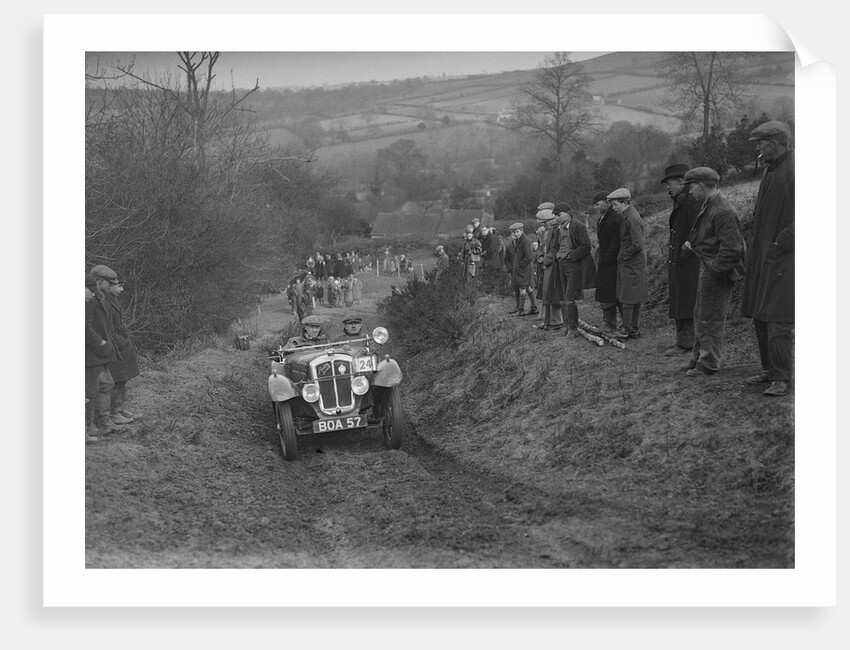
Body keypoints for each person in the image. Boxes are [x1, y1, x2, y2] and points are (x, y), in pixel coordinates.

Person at [740, 120, 795, 397]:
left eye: (761, 142)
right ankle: (769, 370)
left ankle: (782, 377)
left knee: (777, 317)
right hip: (763, 257)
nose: (758, 148)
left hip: (785, 259)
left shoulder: (796, 169)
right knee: (760, 313)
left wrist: (780, 243)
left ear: (775, 142)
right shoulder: (771, 170)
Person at [679, 167, 746, 378]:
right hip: (709, 267)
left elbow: (733, 248)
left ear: (701, 185)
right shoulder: (710, 205)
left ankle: (708, 362)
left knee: (711, 317)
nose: (690, 191)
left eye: (691, 187)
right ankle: (698, 357)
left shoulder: (722, 210)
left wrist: (716, 268)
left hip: (718, 271)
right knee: (701, 314)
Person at [91, 265, 140, 425]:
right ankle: (111, 413)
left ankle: (117, 409)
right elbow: (105, 328)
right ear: (101, 282)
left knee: (121, 379)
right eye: (116, 285)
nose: (120, 289)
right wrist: (120, 342)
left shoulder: (109, 299)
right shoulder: (101, 300)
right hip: (111, 345)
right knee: (114, 380)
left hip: (117, 344)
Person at [661, 163, 701, 355]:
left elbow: (698, 228)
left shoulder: (691, 201)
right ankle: (684, 340)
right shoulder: (681, 200)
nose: (668, 188)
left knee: (686, 299)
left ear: (680, 182)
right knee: (681, 299)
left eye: (669, 184)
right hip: (681, 260)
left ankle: (687, 342)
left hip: (689, 261)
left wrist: (688, 245)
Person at [608, 188, 648, 339]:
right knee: (633, 296)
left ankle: (625, 328)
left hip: (632, 263)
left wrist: (623, 255)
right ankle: (633, 328)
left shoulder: (631, 219)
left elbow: (637, 244)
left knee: (628, 296)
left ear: (625, 202)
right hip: (632, 263)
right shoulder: (628, 216)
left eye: (615, 204)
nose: (613, 208)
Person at [554, 202, 597, 338]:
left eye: (559, 215)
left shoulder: (579, 226)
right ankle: (566, 326)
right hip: (561, 265)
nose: (556, 218)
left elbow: (586, 246)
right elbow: (556, 246)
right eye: (555, 215)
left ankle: (573, 329)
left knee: (569, 298)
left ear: (568, 213)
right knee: (562, 297)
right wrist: (558, 255)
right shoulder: (558, 229)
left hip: (574, 266)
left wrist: (571, 255)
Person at [85, 272, 119, 439]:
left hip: (100, 352)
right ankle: (92, 425)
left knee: (104, 384)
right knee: (90, 391)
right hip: (92, 353)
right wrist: (100, 343)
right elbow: (85, 328)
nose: (113, 286)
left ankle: (102, 422)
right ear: (100, 282)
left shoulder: (101, 298)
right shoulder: (89, 300)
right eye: (109, 283)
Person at [592, 190, 622, 332]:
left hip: (613, 263)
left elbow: (615, 244)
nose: (595, 207)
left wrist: (606, 259)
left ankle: (619, 324)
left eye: (597, 204)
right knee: (606, 293)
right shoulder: (602, 219)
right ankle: (609, 322)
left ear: (606, 203)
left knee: (614, 293)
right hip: (605, 261)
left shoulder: (614, 219)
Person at [534, 207, 564, 330]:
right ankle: (547, 321)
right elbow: (543, 248)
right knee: (546, 294)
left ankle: (556, 321)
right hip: (548, 265)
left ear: (552, 220)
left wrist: (545, 259)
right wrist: (540, 256)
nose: (544, 225)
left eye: (545, 222)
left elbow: (555, 249)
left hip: (555, 266)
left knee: (554, 294)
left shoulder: (557, 231)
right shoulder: (548, 232)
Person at [504, 222, 537, 317]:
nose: (515, 234)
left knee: (522, 288)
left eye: (517, 232)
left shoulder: (525, 241)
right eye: (514, 232)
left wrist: (520, 265)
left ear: (522, 231)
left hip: (525, 268)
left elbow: (530, 256)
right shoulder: (518, 240)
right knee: (528, 288)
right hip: (521, 268)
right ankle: (533, 308)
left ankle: (521, 310)